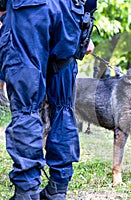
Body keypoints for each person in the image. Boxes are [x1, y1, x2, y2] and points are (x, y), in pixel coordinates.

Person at [0, 0, 94, 199]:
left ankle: (27, 191)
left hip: (28, 10)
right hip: (71, 11)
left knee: (27, 107)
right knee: (63, 106)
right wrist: (85, 22)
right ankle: (57, 189)